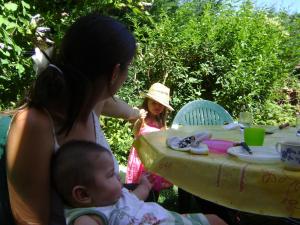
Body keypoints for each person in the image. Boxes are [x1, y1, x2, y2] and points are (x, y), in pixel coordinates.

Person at [5, 13, 150, 225]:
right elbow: (29, 220)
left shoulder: (93, 104)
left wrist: (137, 113)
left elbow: (118, 106)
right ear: (115, 73)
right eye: (127, 68)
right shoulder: (35, 123)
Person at [52, 140, 228, 225]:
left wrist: (144, 186)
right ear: (83, 195)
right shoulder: (87, 216)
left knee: (216, 220)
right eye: (110, 175)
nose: (118, 178)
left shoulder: (113, 196)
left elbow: (134, 199)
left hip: (170, 219)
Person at [126, 83, 173, 198]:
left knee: (152, 183)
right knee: (137, 184)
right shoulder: (143, 119)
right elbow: (136, 132)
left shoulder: (161, 122)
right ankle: (134, 201)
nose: (157, 106)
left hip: (153, 159)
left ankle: (152, 199)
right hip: (140, 158)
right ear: (147, 102)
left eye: (160, 104)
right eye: (154, 102)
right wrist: (139, 119)